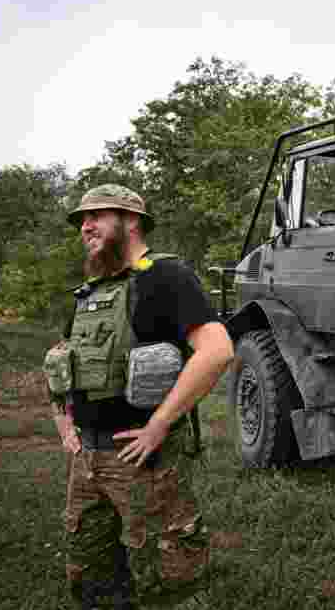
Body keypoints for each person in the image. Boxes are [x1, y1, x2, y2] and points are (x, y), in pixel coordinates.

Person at [46, 184, 234, 609]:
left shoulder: (165, 277)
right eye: (81, 220)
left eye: (95, 216)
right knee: (91, 576)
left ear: (131, 221)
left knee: (168, 581)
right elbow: (61, 363)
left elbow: (218, 350)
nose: (84, 226)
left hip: (145, 462)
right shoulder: (87, 292)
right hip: (87, 460)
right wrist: (65, 427)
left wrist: (158, 426)